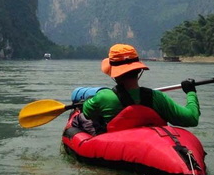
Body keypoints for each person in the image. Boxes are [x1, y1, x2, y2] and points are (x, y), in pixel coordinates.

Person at [70, 43, 200, 135]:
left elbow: (87, 112)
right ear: (138, 71)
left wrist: (87, 100)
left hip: (117, 145)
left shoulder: (104, 97)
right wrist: (191, 92)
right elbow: (191, 118)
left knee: (77, 117)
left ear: (114, 74)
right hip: (150, 145)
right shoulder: (157, 97)